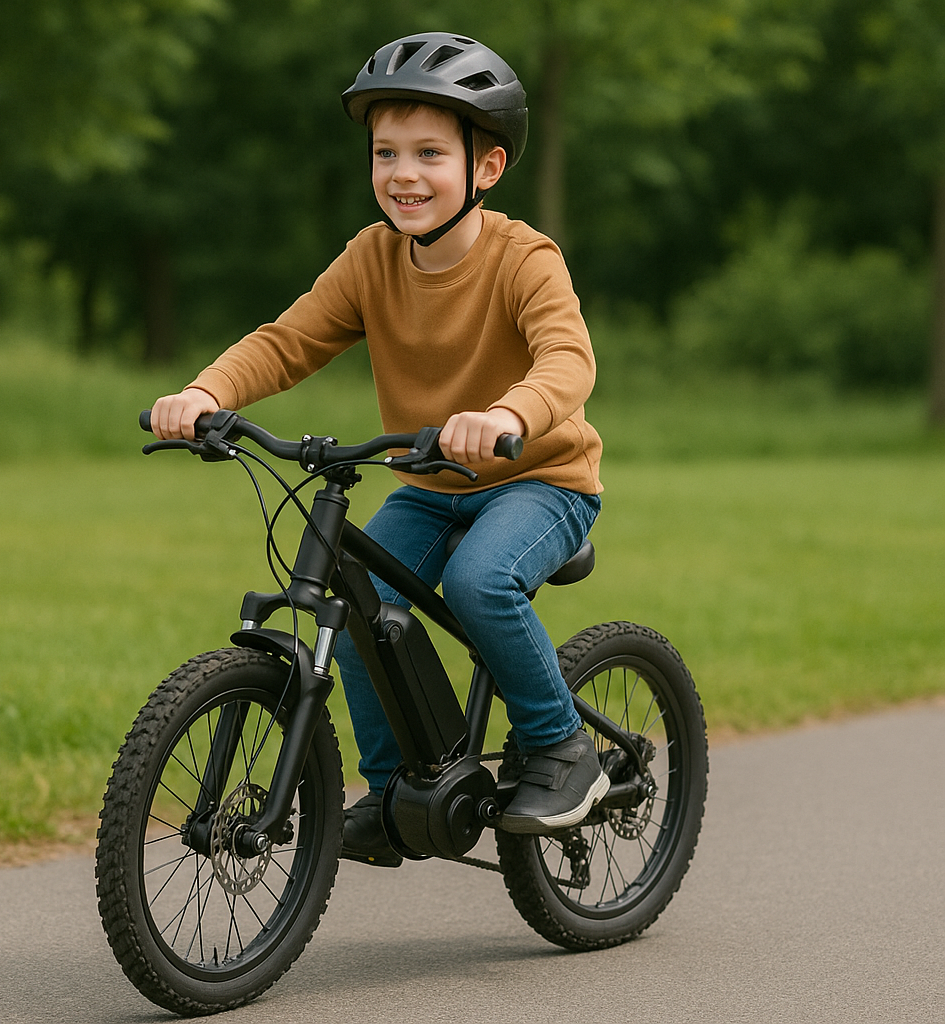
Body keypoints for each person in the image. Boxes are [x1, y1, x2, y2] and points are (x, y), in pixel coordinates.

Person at [150, 32, 608, 866]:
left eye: (430, 153)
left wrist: (505, 413)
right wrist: (207, 393)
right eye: (385, 152)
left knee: (480, 582)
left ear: (487, 167)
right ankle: (396, 786)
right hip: (432, 483)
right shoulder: (372, 258)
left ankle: (562, 747)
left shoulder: (523, 259)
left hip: (539, 479)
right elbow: (287, 341)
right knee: (359, 600)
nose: (403, 173)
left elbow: (567, 361)